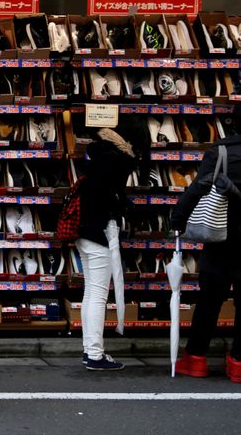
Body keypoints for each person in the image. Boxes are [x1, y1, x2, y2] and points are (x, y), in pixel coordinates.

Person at [171, 98, 241, 383]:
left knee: (210, 300)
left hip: (220, 234)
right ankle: (239, 361)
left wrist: (178, 219)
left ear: (234, 123)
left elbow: (199, 188)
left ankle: (197, 358)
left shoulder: (221, 152)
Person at [76, 120, 145, 370]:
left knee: (90, 293)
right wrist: (120, 204)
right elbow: (103, 194)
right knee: (98, 295)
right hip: (100, 230)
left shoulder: (99, 153)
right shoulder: (117, 160)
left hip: (84, 230)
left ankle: (90, 350)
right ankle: (94, 354)